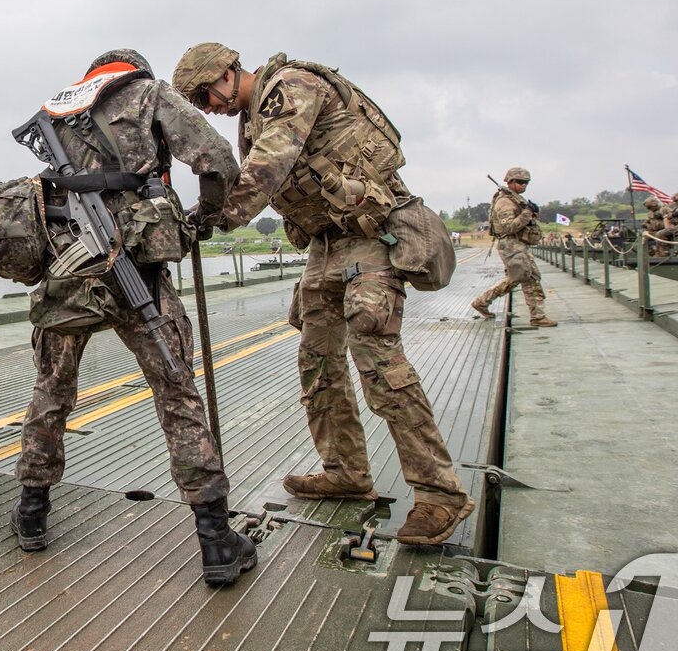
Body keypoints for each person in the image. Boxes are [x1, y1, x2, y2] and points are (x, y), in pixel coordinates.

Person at [172, 43, 473, 546]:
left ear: (228, 73)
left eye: (206, 95)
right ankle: (346, 473)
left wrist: (215, 217)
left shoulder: (290, 86)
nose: (208, 108)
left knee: (378, 359)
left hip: (372, 234)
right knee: (317, 362)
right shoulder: (251, 118)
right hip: (325, 242)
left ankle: (440, 494)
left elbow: (269, 166)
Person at [12, 48, 255, 588]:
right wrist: (204, 219)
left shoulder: (57, 110)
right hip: (136, 269)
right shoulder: (148, 94)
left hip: (67, 271)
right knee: (177, 393)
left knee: (52, 392)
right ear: (133, 69)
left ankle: (31, 511)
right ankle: (216, 539)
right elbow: (216, 157)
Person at [472, 168, 557, 327]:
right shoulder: (505, 202)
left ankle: (483, 302)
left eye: (526, 182)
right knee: (525, 277)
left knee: (525, 277)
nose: (523, 185)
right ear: (509, 181)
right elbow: (507, 228)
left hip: (518, 244)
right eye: (519, 182)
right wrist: (527, 213)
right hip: (511, 244)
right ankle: (537, 316)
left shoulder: (515, 199)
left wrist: (531, 213)